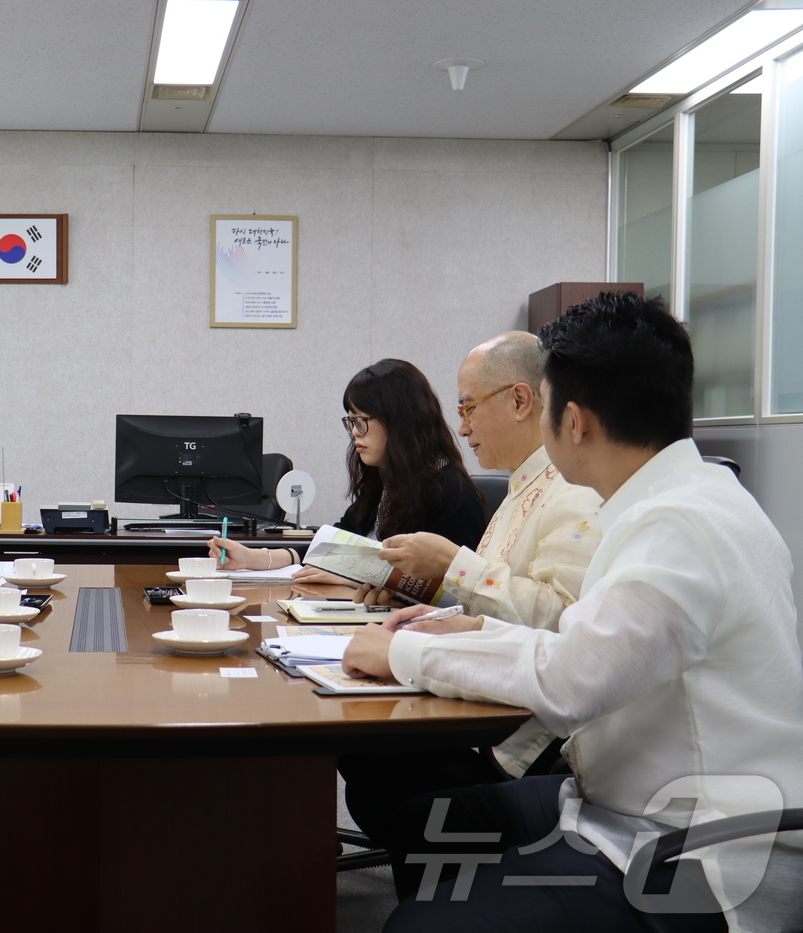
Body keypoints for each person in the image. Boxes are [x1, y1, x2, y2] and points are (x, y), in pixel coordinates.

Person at [343, 292, 803, 933]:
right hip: (624, 804)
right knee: (429, 823)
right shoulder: (688, 498)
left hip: (692, 854)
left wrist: (401, 651)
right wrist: (471, 629)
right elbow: (578, 638)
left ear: (575, 421)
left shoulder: (678, 525)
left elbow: (569, 680)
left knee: (416, 925)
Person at [337, 332, 604, 856]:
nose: (461, 427)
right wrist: (425, 613)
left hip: (522, 733)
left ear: (521, 400)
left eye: (469, 408)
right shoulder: (517, 488)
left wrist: (452, 566)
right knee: (364, 751)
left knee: (381, 768)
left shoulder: (571, 490)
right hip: (489, 699)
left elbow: (562, 624)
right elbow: (485, 608)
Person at [209, 358, 486, 575]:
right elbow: (338, 541)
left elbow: (449, 592)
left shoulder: (452, 493)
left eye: (360, 420)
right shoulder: (386, 481)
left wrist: (351, 576)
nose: (354, 431)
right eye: (350, 421)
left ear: (400, 422)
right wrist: (257, 557)